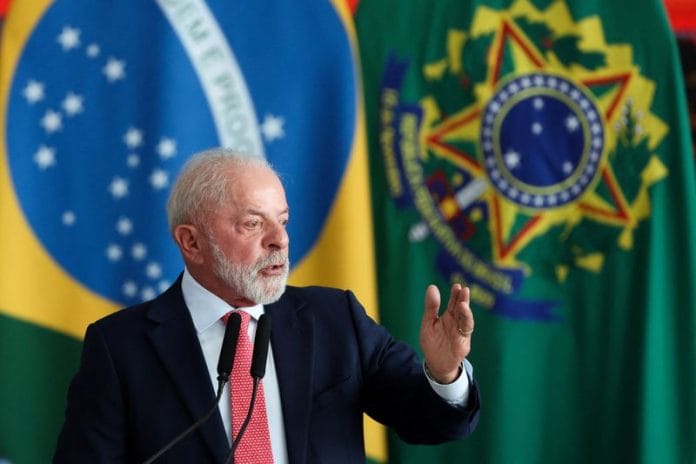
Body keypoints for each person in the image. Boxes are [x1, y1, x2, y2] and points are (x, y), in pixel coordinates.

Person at [53, 148, 480, 463]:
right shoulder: (120, 348)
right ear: (191, 242)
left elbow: (431, 421)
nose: (280, 240)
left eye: (283, 220)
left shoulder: (336, 319)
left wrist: (445, 373)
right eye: (253, 223)